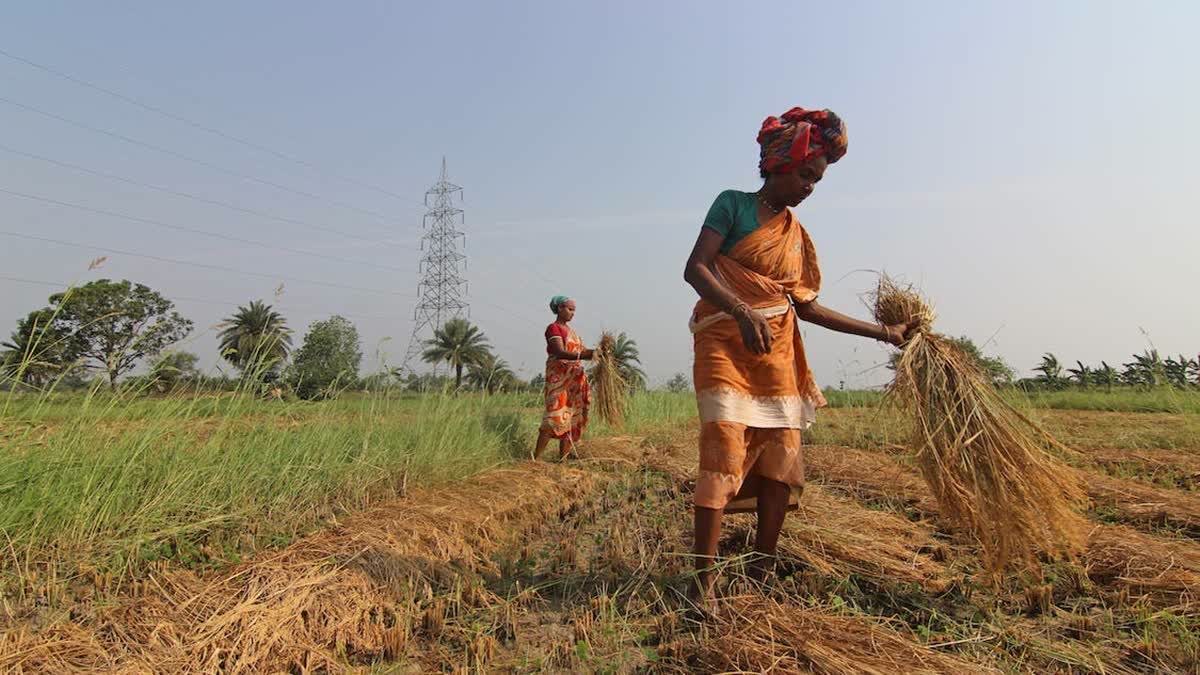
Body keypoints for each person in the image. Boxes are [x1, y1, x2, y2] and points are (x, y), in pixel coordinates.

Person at [682, 107, 911, 608]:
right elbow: (697, 269)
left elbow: (804, 305)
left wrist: (884, 333)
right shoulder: (733, 205)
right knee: (722, 450)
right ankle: (703, 583)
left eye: (818, 179)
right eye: (807, 173)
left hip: (777, 351)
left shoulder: (797, 236)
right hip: (723, 342)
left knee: (779, 459)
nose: (811, 186)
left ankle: (763, 567)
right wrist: (742, 311)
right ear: (779, 162)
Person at [533, 296, 595, 460]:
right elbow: (559, 352)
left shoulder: (573, 333)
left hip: (574, 381)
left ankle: (563, 460)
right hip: (558, 378)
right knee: (554, 416)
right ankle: (535, 459)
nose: (572, 313)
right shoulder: (553, 329)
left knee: (572, 418)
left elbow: (583, 351)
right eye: (569, 309)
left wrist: (598, 352)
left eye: (574, 310)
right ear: (559, 308)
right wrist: (585, 355)